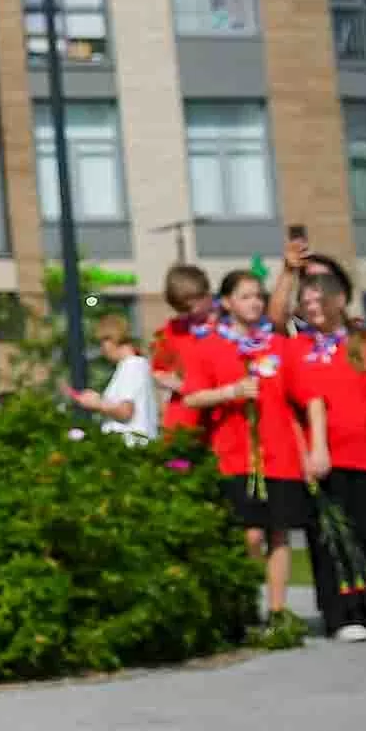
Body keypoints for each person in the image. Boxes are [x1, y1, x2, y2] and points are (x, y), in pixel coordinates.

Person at [176, 266, 307, 626]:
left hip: (279, 453)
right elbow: (191, 398)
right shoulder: (210, 347)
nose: (254, 303)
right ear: (228, 303)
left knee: (278, 533)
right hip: (235, 455)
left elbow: (302, 398)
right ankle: (248, 606)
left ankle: (279, 612)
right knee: (248, 533)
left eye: (258, 297)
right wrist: (231, 392)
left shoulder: (279, 345)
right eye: (246, 297)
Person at [286, 270, 366, 641]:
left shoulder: (364, 344)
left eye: (319, 300)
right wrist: (309, 451)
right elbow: (293, 403)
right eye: (307, 301)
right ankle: (342, 615)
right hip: (324, 461)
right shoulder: (296, 348)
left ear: (338, 301)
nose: (313, 307)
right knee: (330, 541)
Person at [68, 312, 160, 442]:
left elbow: (125, 411)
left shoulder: (132, 365)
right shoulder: (132, 365)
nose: (102, 350)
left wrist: (96, 404)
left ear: (111, 340)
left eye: (102, 343)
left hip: (131, 447)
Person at [152, 263, 211, 436]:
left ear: (206, 294)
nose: (189, 314)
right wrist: (180, 385)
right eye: (182, 309)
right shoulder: (171, 330)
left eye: (192, 306)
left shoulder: (227, 328)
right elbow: (158, 371)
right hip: (185, 414)